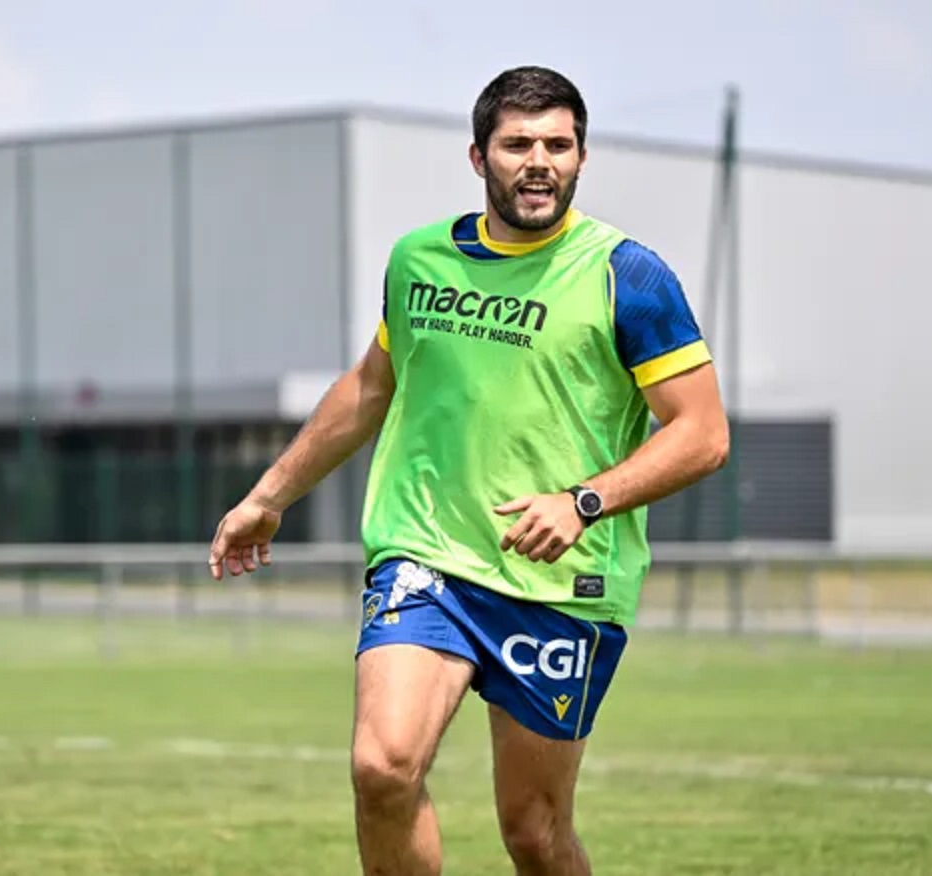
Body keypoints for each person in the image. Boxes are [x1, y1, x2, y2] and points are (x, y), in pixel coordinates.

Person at [208, 65, 730, 875]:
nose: (539, 160)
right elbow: (370, 387)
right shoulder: (419, 260)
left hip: (562, 582)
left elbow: (702, 434)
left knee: (535, 835)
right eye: (518, 143)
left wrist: (584, 502)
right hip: (427, 557)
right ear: (478, 156)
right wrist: (267, 496)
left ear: (582, 159)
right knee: (382, 767)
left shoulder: (628, 277)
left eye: (559, 144)